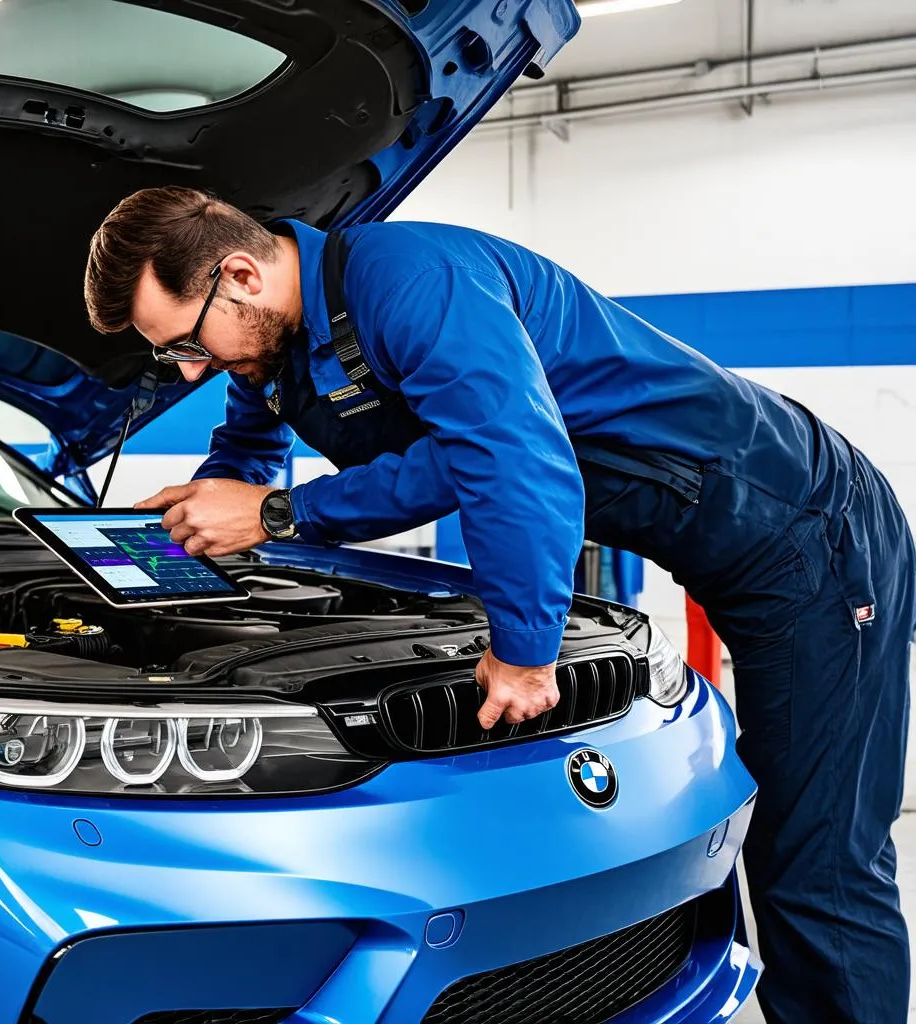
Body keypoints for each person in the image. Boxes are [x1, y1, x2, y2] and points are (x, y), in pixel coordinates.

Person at [84, 185, 914, 1024]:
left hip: (806, 529)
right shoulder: (274, 348)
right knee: (797, 844)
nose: (188, 369)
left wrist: (523, 649)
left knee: (819, 859)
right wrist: (188, 527)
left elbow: (512, 460)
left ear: (240, 275)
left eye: (187, 341)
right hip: (719, 535)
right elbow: (249, 454)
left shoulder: (414, 281)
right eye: (170, 357)